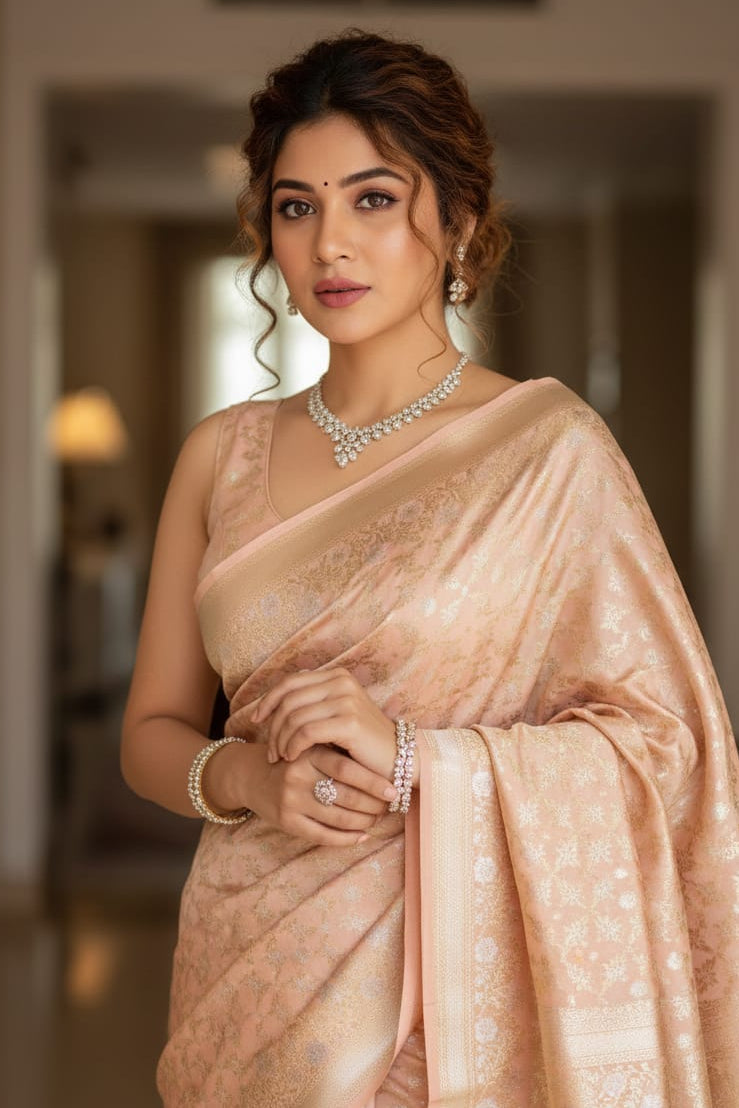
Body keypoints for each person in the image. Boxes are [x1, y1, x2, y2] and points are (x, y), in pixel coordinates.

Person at [121, 29, 739, 1108]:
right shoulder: (219, 456)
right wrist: (249, 780)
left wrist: (418, 761)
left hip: (447, 1010)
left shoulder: (546, 449)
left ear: (455, 220)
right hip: (253, 976)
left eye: (373, 199)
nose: (330, 244)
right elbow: (152, 732)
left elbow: (666, 747)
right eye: (297, 206)